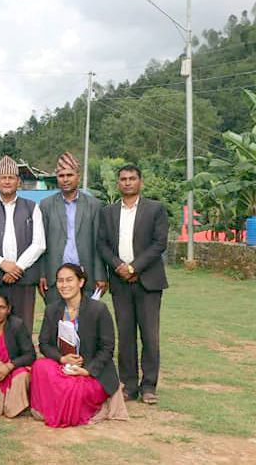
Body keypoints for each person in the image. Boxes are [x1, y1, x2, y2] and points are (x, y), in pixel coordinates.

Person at [97, 164, 169, 404]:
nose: (127, 182)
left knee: (150, 336)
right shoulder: (108, 212)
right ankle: (129, 385)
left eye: (132, 178)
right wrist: (119, 266)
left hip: (148, 282)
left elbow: (159, 244)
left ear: (140, 182)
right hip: (120, 283)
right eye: (123, 179)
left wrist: (134, 268)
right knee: (125, 336)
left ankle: (149, 386)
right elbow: (102, 244)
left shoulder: (155, 209)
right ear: (118, 183)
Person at [31, 264, 128, 427]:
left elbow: (107, 348)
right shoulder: (52, 309)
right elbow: (44, 344)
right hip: (64, 366)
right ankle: (56, 405)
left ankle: (70, 408)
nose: (64, 285)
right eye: (60, 281)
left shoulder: (98, 309)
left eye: (69, 280)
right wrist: (62, 359)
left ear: (81, 282)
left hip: (91, 370)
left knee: (71, 387)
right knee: (40, 366)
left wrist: (87, 370)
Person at [0, 155, 45, 330]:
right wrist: (2, 264)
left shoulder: (32, 207)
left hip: (24, 279)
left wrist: (17, 267)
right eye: (3, 177)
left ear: (18, 181)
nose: (6, 181)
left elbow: (39, 244)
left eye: (11, 177)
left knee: (23, 327)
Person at [39, 152, 106, 304]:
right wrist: (42, 274)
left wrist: (100, 275)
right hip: (55, 276)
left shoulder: (94, 205)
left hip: (85, 276)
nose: (65, 179)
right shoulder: (46, 205)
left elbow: (98, 244)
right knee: (57, 316)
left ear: (78, 177)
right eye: (61, 176)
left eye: (70, 175)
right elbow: (41, 243)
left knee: (86, 317)